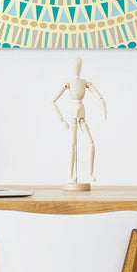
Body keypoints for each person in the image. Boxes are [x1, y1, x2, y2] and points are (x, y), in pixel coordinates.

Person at [51, 57, 107, 189]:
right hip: (73, 116)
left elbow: (99, 97)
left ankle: (90, 173)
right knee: (72, 145)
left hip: (82, 115)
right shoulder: (68, 84)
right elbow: (52, 101)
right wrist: (61, 120)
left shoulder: (86, 83)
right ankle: (71, 176)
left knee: (91, 142)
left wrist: (104, 111)